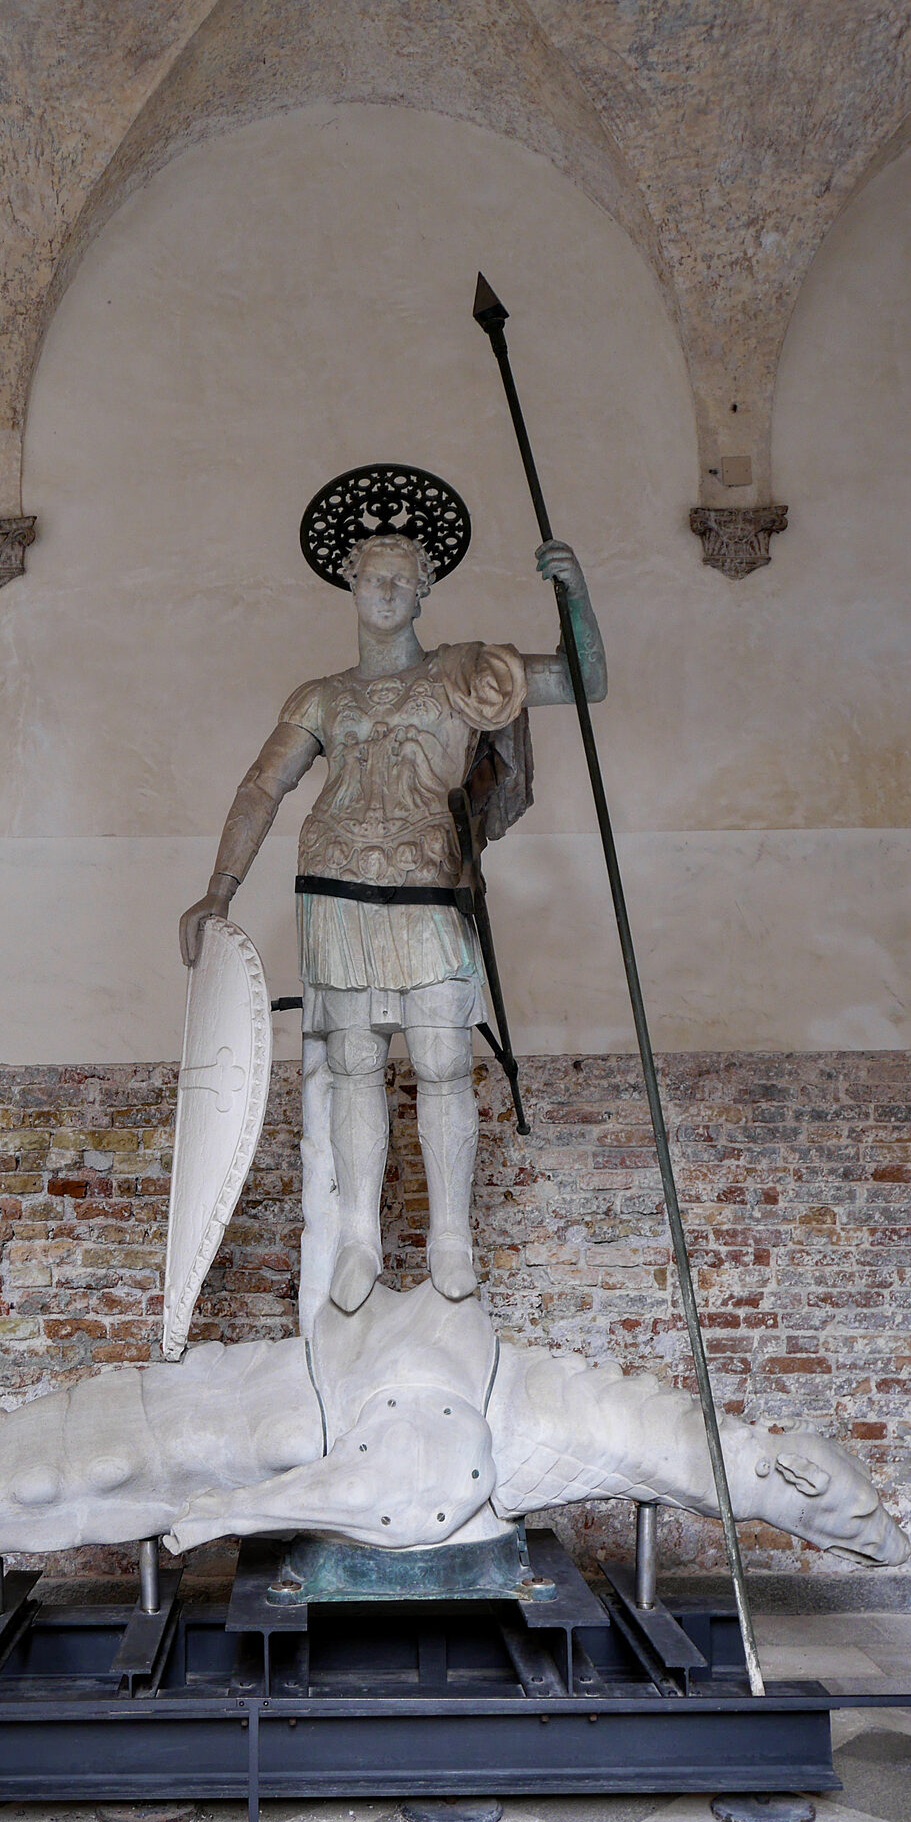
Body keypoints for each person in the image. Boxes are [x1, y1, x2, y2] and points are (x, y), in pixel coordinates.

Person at [180, 529, 607, 1317]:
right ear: (350, 585)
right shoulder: (321, 696)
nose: (383, 592)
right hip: (336, 886)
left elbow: (583, 678)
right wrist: (220, 887)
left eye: (399, 581)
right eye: (370, 577)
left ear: (423, 590)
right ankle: (358, 1240)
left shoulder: (463, 676)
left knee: (444, 1059)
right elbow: (261, 786)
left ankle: (451, 1238)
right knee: (353, 1063)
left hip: (427, 885)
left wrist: (575, 597)